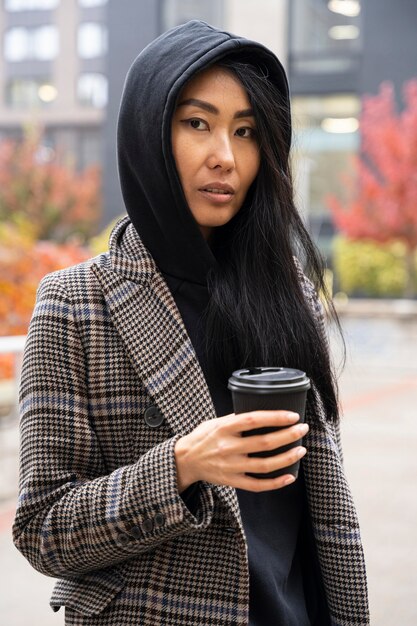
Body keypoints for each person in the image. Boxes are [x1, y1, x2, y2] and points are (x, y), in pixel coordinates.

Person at [13, 20, 369, 626]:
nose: (224, 157)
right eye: (197, 123)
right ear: (151, 131)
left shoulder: (287, 293)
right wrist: (182, 465)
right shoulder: (75, 304)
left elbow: (320, 506)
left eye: (246, 131)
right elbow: (44, 529)